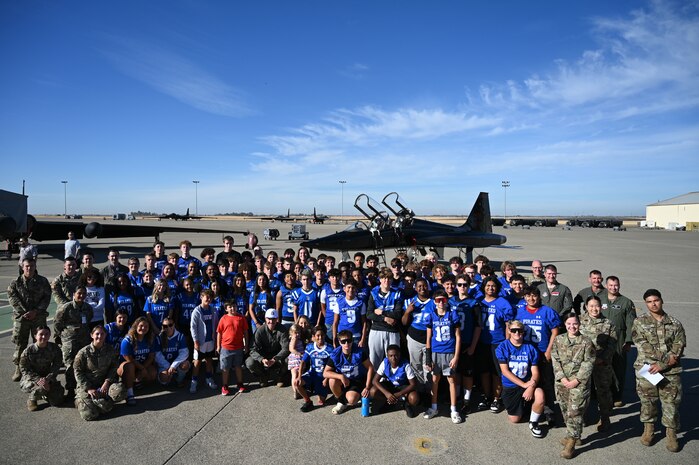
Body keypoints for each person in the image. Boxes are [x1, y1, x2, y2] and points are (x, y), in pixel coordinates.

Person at [632, 289, 685, 453]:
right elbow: (642, 345)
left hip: (670, 370)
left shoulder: (674, 323)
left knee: (671, 403)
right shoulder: (639, 322)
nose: (653, 304)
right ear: (645, 304)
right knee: (648, 401)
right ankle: (649, 429)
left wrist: (663, 365)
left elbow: (679, 346)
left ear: (661, 301)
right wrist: (663, 359)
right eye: (649, 301)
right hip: (647, 368)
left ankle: (671, 433)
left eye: (656, 300)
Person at [552, 312, 595, 459]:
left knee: (575, 412)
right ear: (565, 324)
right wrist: (562, 378)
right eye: (569, 323)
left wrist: (576, 380)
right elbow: (555, 360)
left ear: (579, 324)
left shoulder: (586, 341)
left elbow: (588, 362)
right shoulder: (558, 340)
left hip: (579, 384)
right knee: (565, 410)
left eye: (575, 323)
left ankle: (571, 443)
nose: (572, 326)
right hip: (562, 382)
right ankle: (574, 434)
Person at [514, 286, 561, 421]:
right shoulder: (520, 312)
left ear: (539, 296)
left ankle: (548, 410)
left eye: (534, 295)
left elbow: (555, 332)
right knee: (527, 380)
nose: (531, 298)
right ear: (524, 297)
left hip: (541, 352)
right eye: (528, 295)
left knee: (545, 381)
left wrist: (549, 350)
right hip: (525, 353)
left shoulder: (547, 311)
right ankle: (529, 407)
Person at [496, 320, 545, 438]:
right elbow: (505, 371)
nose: (517, 333)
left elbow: (535, 372)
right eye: (513, 330)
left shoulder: (530, 348)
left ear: (524, 332)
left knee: (540, 395)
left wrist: (531, 386)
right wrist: (524, 385)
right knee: (515, 419)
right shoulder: (502, 347)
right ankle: (524, 406)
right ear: (509, 331)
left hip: (527, 383)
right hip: (511, 386)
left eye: (520, 330)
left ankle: (533, 422)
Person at [8, 258, 52, 382]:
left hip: (38, 317)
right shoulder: (15, 283)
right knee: (20, 343)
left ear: (35, 266)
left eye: (32, 266)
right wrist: (24, 312)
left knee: (39, 343)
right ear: (22, 267)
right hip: (22, 318)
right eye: (27, 266)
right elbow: (12, 298)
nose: (29, 268)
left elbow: (47, 297)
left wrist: (36, 311)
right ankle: (19, 368)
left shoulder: (42, 281)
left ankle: (38, 367)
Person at [423, 290, 462, 424]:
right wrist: (428, 358)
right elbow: (428, 338)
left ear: (447, 301)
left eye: (443, 300)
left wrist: (456, 356)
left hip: (449, 352)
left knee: (451, 380)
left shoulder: (452, 315)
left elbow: (458, 337)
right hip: (435, 352)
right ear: (434, 302)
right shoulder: (431, 316)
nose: (441, 302)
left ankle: (453, 409)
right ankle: (434, 407)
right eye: (438, 300)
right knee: (435, 380)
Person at [579, 295, 617, 432]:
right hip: (583, 364)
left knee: (604, 392)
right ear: (586, 307)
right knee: (582, 391)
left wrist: (602, 359)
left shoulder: (608, 323)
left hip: (602, 363)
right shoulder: (579, 321)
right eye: (591, 306)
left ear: (601, 306)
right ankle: (580, 417)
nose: (594, 309)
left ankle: (605, 418)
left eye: (597, 306)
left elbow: (612, 345)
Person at [477, 276, 514, 413]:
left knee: (496, 372)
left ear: (497, 287)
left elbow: (508, 325)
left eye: (493, 286)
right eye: (488, 286)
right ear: (484, 287)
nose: (490, 288)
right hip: (482, 342)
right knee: (484, 371)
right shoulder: (480, 302)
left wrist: (506, 343)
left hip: (498, 343)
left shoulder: (503, 303)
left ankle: (496, 398)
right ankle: (487, 397)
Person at [74, 325, 126, 420]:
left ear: (105, 335)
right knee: (89, 415)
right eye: (97, 334)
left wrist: (107, 382)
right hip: (87, 386)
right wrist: (88, 388)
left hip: (103, 385)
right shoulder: (83, 353)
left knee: (120, 390)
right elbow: (78, 372)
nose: (100, 336)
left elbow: (114, 367)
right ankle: (83, 401)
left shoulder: (110, 350)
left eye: (102, 334)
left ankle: (101, 402)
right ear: (92, 335)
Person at [600, 276, 637, 407]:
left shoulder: (626, 302)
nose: (613, 288)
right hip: (602, 340)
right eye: (610, 285)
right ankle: (602, 395)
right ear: (606, 286)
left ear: (619, 286)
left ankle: (617, 396)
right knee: (601, 368)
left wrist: (628, 341)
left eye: (615, 285)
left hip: (619, 340)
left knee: (619, 368)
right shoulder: (600, 299)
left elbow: (631, 323)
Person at [450, 274, 482, 413]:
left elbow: (478, 326)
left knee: (467, 373)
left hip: (467, 341)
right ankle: (456, 396)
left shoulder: (474, 303)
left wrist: (473, 346)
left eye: (465, 285)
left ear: (469, 286)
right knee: (455, 371)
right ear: (456, 286)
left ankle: (467, 400)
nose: (462, 287)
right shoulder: (450, 301)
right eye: (460, 284)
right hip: (452, 343)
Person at [53, 286, 93, 399]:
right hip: (69, 342)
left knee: (84, 364)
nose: (82, 296)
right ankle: (71, 389)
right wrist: (63, 337)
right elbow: (57, 324)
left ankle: (83, 387)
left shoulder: (88, 308)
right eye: (79, 293)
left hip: (84, 340)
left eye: (84, 294)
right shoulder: (65, 308)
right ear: (74, 294)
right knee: (70, 366)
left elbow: (89, 320)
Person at [323, 330, 374, 415]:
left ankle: (356, 395)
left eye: (349, 340)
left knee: (352, 400)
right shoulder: (336, 353)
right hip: (344, 380)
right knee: (332, 380)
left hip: (357, 380)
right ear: (339, 342)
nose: (346, 343)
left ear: (352, 340)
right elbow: (325, 373)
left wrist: (367, 387)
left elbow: (370, 368)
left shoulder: (359, 352)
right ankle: (341, 401)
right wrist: (341, 377)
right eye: (343, 341)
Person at [19, 325, 64, 411]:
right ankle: (32, 399)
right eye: (41, 334)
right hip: (31, 379)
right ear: (35, 336)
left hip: (47, 376)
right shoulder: (28, 351)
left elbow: (56, 365)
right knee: (40, 387)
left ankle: (45, 394)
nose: (44, 336)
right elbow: (24, 369)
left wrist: (47, 379)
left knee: (57, 401)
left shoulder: (54, 348)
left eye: (47, 334)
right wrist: (39, 380)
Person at [366, 269, 403, 370]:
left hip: (392, 330)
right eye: (384, 278)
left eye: (389, 278)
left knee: (393, 359)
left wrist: (381, 312)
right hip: (376, 329)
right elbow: (369, 314)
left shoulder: (397, 293)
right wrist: (385, 318)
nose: (386, 280)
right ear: (380, 279)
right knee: (374, 359)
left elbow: (397, 314)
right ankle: (375, 383)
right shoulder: (373, 293)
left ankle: (392, 383)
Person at [402, 278, 433, 391]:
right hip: (413, 337)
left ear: (428, 287)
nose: (422, 288)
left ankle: (429, 391)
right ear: (415, 288)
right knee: (415, 366)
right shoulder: (410, 301)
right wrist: (407, 311)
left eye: (424, 285)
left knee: (428, 367)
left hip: (429, 339)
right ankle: (420, 390)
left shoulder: (434, 302)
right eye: (419, 286)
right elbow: (404, 322)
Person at [246, 309, 290, 387]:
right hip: (264, 357)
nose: (271, 321)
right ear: (265, 319)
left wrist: (275, 359)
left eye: (273, 319)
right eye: (269, 319)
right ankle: (263, 376)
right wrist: (261, 359)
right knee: (249, 362)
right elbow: (252, 349)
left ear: (277, 319)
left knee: (289, 359)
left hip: (278, 357)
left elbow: (286, 348)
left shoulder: (282, 330)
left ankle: (281, 376)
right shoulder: (260, 330)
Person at [118, 317, 157, 405]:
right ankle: (129, 393)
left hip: (141, 365)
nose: (143, 328)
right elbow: (129, 358)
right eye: (141, 326)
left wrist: (143, 369)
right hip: (126, 367)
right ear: (136, 326)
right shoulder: (128, 340)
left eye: (146, 326)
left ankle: (137, 382)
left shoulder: (150, 339)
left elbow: (151, 357)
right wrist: (142, 369)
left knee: (153, 373)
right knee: (130, 366)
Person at [216, 300, 249, 395]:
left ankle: (240, 383)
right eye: (230, 307)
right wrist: (218, 346)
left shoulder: (241, 318)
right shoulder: (223, 318)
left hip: (238, 347)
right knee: (225, 368)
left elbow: (246, 332)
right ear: (226, 309)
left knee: (238, 366)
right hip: (226, 348)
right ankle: (225, 385)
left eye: (234, 306)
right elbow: (219, 333)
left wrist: (246, 345)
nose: (232, 308)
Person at [190, 289, 219, 393]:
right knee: (197, 362)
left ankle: (209, 378)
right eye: (207, 297)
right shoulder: (196, 311)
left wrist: (216, 340)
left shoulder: (213, 310)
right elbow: (193, 327)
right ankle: (194, 381)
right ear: (201, 297)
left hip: (210, 340)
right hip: (200, 341)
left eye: (210, 297)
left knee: (209, 360)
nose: (209, 299)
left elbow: (216, 325)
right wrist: (195, 341)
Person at [298, 325, 332, 412]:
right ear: (313, 336)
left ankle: (320, 390)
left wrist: (327, 379)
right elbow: (303, 362)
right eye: (318, 335)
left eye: (322, 335)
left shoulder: (330, 348)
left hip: (323, 376)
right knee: (296, 383)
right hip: (312, 373)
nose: (320, 337)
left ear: (325, 335)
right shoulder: (310, 347)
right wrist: (299, 376)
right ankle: (308, 401)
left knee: (321, 401)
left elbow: (333, 366)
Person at [154, 316, 190, 387]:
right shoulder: (159, 338)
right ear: (162, 327)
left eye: (170, 325)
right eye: (165, 326)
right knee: (164, 378)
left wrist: (173, 366)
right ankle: (169, 380)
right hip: (164, 365)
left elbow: (184, 353)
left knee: (185, 365)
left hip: (177, 365)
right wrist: (168, 366)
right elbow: (157, 355)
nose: (168, 328)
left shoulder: (180, 336)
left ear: (174, 325)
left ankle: (179, 380)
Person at [333, 279, 367, 348]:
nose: (351, 290)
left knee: (356, 357)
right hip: (343, 336)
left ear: (356, 289)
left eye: (353, 288)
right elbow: (335, 322)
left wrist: (363, 339)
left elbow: (364, 322)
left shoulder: (360, 303)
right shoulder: (339, 302)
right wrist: (334, 338)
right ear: (344, 289)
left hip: (356, 335)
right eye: (348, 287)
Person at [288, 323, 308, 401]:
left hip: (295, 358)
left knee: (295, 375)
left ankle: (296, 391)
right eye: (295, 332)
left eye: (298, 332)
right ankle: (296, 391)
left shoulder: (294, 338)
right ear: (291, 333)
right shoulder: (294, 339)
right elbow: (291, 349)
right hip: (296, 359)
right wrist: (299, 354)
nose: (297, 334)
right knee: (295, 374)